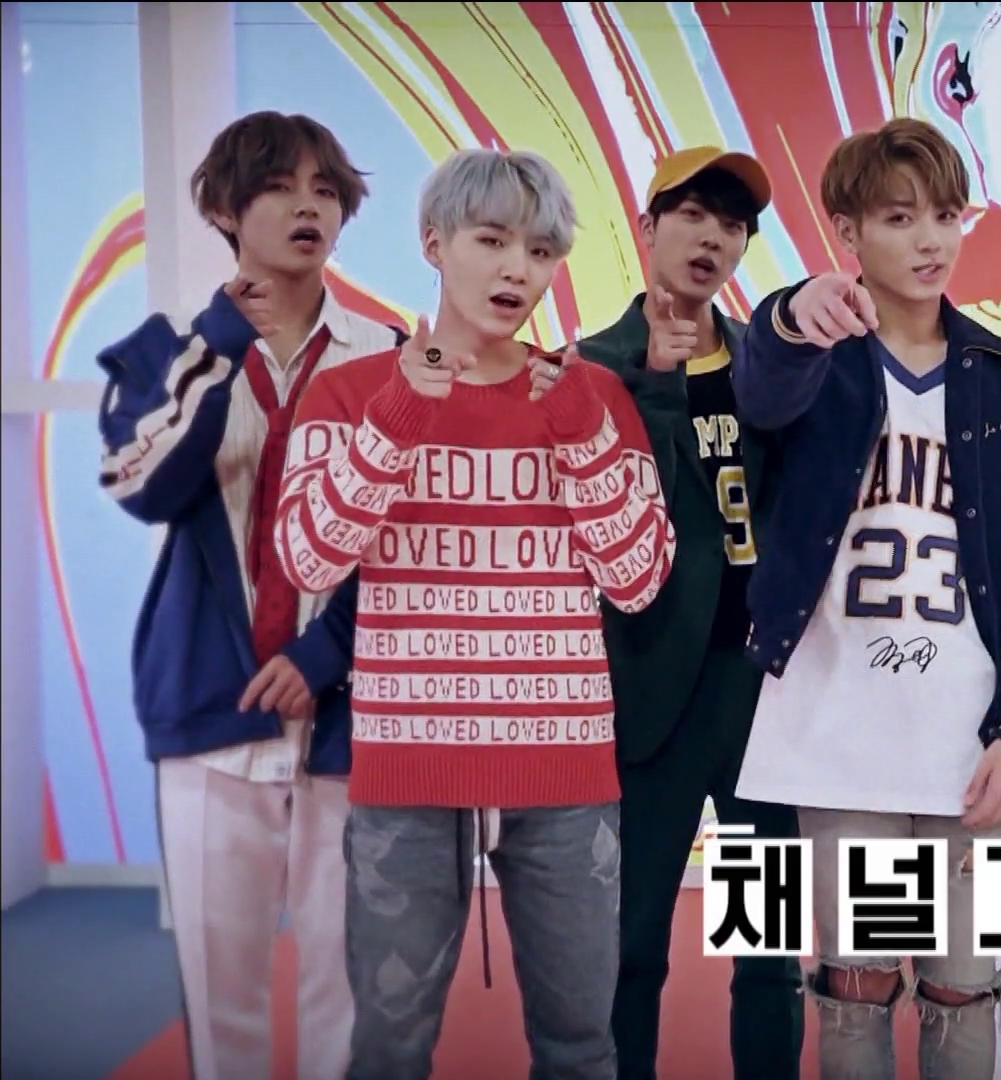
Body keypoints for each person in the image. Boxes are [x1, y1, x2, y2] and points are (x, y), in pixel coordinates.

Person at [271, 147, 676, 1080]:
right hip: (407, 767)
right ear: (434, 243)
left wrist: (580, 436)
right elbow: (310, 558)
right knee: (389, 1050)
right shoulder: (349, 395)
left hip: (565, 767)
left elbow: (637, 578)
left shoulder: (592, 395)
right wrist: (397, 417)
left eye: (539, 251)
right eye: (491, 241)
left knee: (582, 1047)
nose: (516, 270)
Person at [727, 117, 1001, 1080]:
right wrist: (793, 312)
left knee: (971, 995)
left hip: (980, 741)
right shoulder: (818, 355)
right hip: (840, 734)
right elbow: (761, 387)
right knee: (855, 992)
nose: (931, 241)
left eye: (946, 216)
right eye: (899, 218)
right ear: (848, 230)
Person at [95, 109, 401, 1080]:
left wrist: (328, 651)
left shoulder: (389, 355)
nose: (308, 206)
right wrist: (220, 344)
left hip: (351, 717)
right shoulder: (164, 358)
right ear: (226, 210)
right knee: (220, 999)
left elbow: (409, 536)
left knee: (347, 993)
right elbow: (143, 486)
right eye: (278, 187)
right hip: (210, 710)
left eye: (325, 189)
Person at [574, 146, 804, 1080]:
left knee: (769, 951)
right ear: (648, 225)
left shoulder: (769, 368)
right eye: (694, 215)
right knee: (631, 949)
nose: (713, 238)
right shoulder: (594, 369)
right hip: (651, 692)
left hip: (760, 700)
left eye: (733, 224)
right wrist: (656, 389)